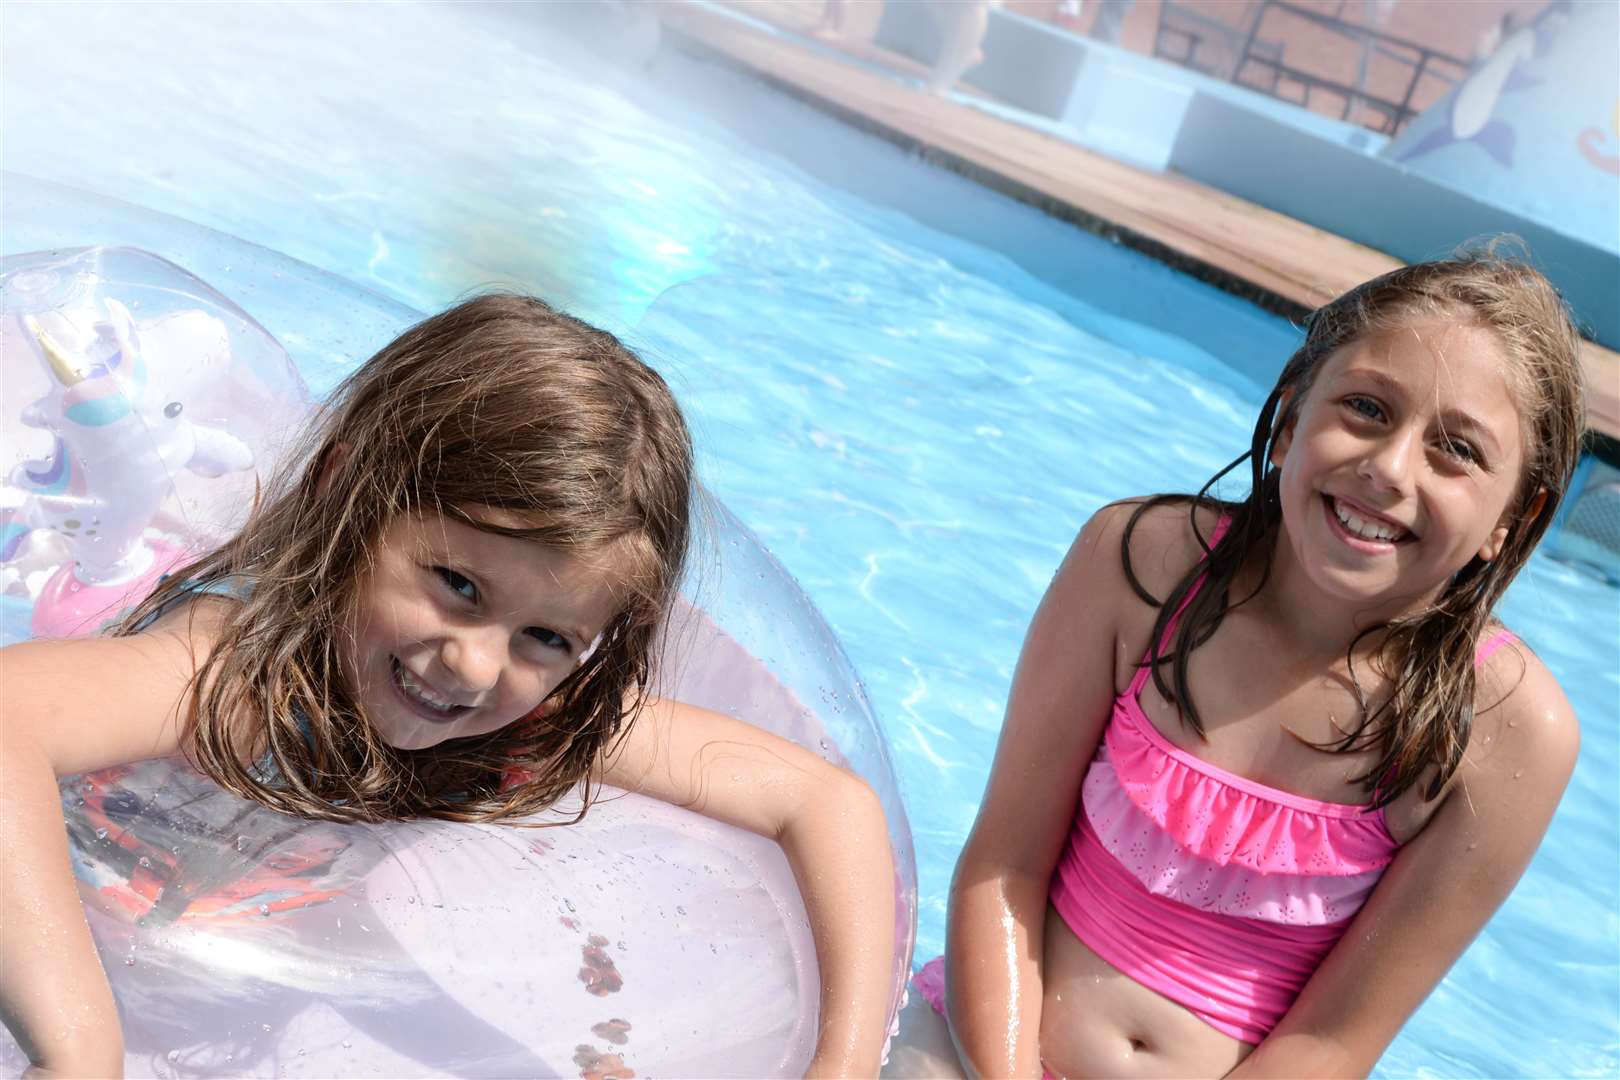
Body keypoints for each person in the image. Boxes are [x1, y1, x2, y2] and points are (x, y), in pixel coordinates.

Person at [0, 294, 896, 1077]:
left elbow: (822, 799)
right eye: (458, 586)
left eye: (546, 635)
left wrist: (844, 1063)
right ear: (346, 484)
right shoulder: (235, 673)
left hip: (229, 959)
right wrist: (78, 1047)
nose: (474, 665)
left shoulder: (529, 706)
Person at [886, 248, 1586, 1078]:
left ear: (1516, 514)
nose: (1390, 469)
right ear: (1291, 420)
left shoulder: (1505, 730)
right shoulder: (1142, 566)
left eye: (1457, 451)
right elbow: (1003, 866)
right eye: (1365, 407)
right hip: (981, 1047)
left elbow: (1332, 1043)